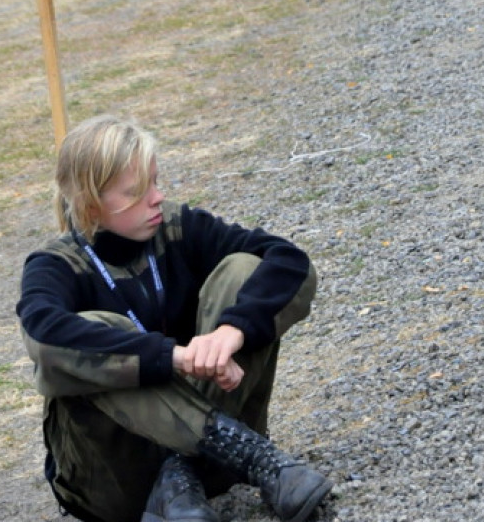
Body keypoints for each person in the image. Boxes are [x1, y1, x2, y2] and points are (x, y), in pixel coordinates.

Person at [17, 114, 333, 522]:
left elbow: (288, 261)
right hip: (114, 482)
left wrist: (231, 331)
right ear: (90, 202)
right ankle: (256, 457)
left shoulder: (177, 226)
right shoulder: (55, 265)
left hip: (214, 469)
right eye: (136, 191)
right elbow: (43, 335)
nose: (156, 197)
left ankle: (180, 476)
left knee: (243, 269)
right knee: (96, 332)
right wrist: (172, 357)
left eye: (155, 180)